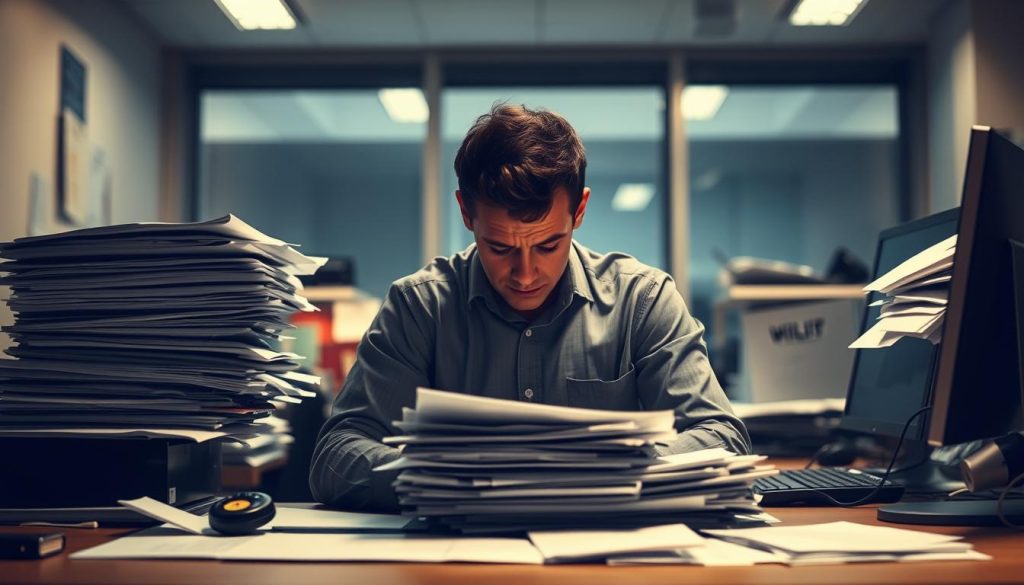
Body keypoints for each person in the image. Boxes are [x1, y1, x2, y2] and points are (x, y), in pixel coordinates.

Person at [309, 103, 750, 511]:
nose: (524, 275)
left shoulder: (643, 300)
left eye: (548, 245)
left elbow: (723, 438)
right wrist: (438, 479)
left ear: (579, 210)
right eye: (499, 247)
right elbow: (336, 454)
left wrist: (610, 471)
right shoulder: (420, 306)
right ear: (466, 213)